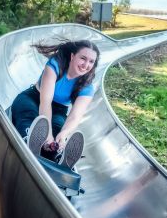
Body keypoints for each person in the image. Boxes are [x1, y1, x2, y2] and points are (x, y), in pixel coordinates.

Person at [11, 39, 100, 169]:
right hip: (33, 98)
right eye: (83, 58)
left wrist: (63, 134)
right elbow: (45, 102)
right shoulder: (55, 65)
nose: (86, 64)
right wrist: (47, 133)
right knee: (30, 117)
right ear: (72, 56)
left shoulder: (87, 86)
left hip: (59, 109)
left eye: (91, 61)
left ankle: (57, 154)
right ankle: (28, 138)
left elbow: (75, 116)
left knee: (58, 129)